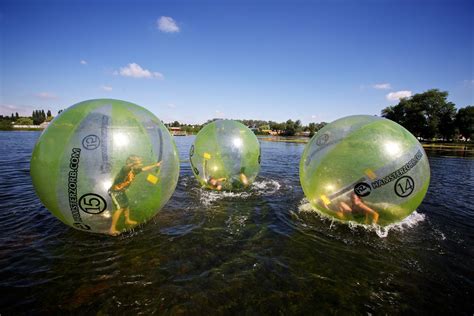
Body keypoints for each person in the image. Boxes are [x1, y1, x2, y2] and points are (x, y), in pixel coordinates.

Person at [108, 155, 161, 235]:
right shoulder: (125, 170)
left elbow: (144, 168)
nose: (141, 162)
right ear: (132, 163)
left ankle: (127, 220)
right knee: (120, 208)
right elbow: (126, 167)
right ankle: (112, 228)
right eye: (139, 161)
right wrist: (133, 163)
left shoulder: (135, 171)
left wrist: (155, 165)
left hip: (121, 191)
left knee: (126, 205)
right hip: (115, 191)